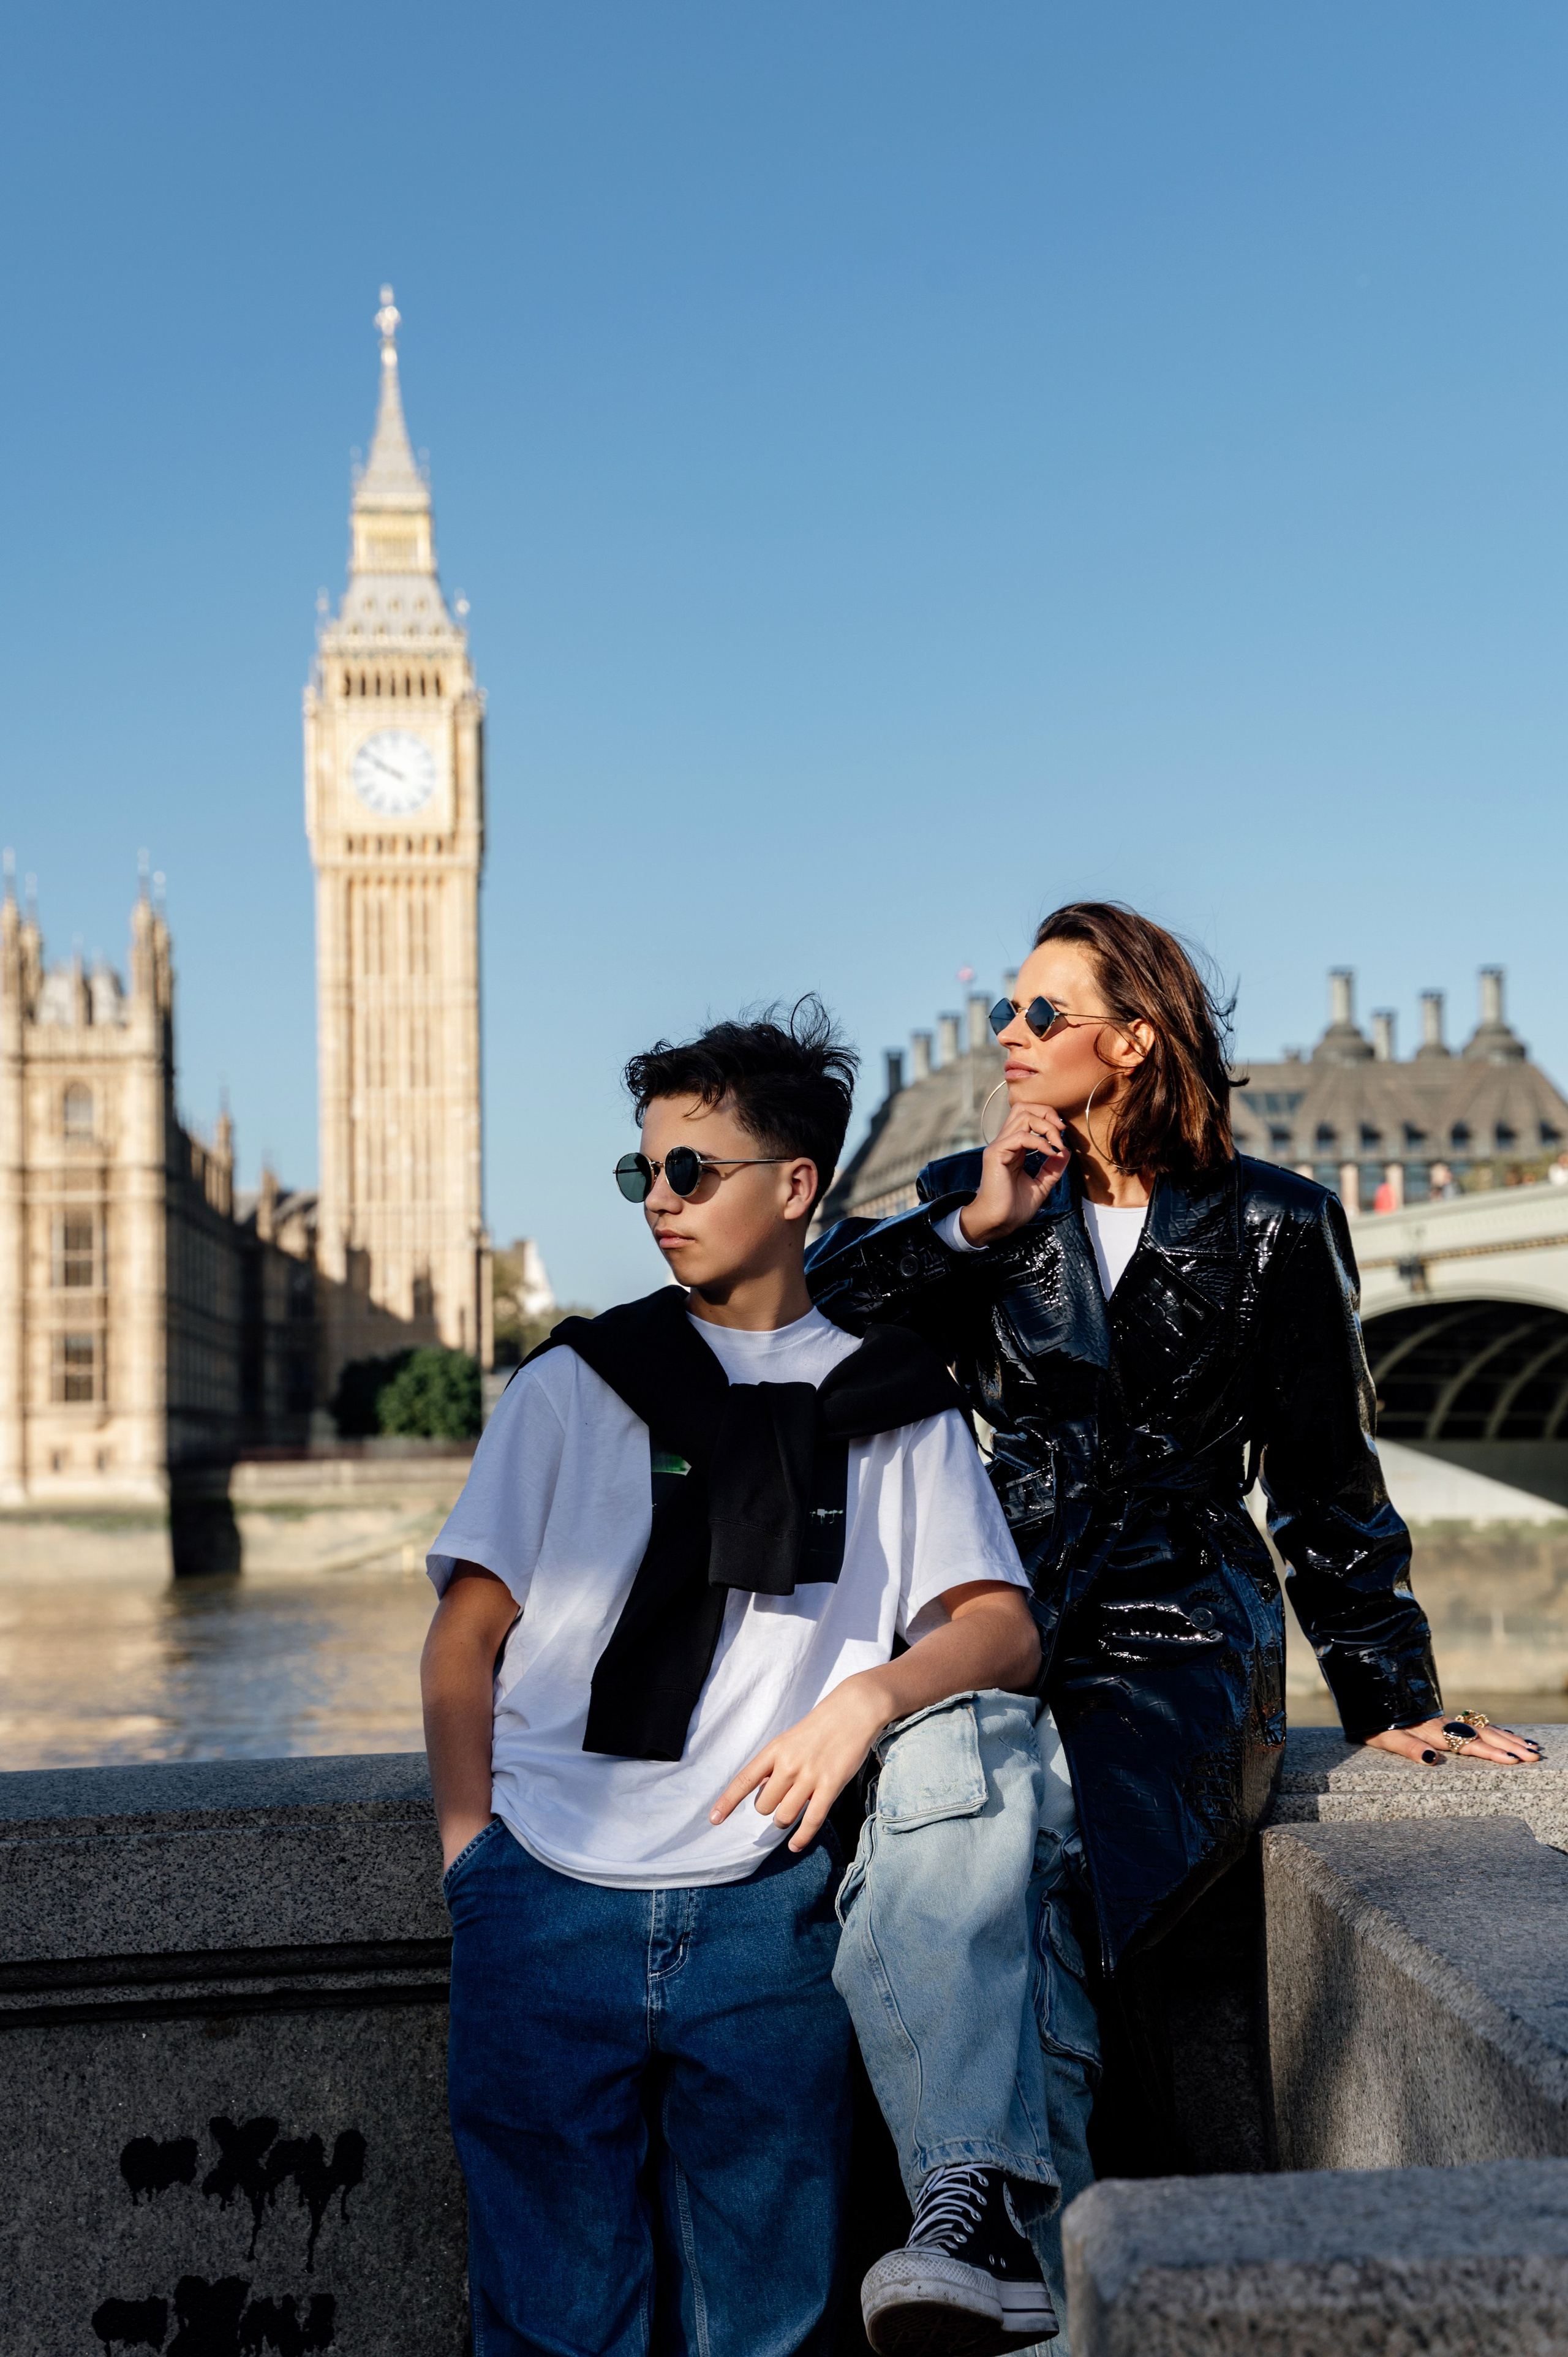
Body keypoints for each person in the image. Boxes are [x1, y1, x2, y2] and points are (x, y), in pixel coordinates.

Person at [808, 902, 1544, 2356]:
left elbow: (1327, 1480)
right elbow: (807, 1345)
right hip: (994, 1608)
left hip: (1173, 1629)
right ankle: (1031, 2260)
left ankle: (986, 2231)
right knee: (961, 1807)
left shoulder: (1274, 1222)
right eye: (1004, 1015)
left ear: (1129, 1038)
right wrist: (966, 1229)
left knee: (1046, 1843)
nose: (1003, 1038)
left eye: (1036, 1013)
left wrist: (1392, 1690)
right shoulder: (978, 1200)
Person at [420, 1004, 1044, 2357]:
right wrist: (476, 1859)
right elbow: (465, 1633)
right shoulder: (576, 1382)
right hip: (544, 1903)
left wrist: (861, 1701)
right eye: (641, 1171)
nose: (659, 1199)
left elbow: (1000, 1628)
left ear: (796, 1185)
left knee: (766, 2323)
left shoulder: (892, 1403)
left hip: (764, 1910)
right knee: (548, 2323)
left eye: (690, 1170)